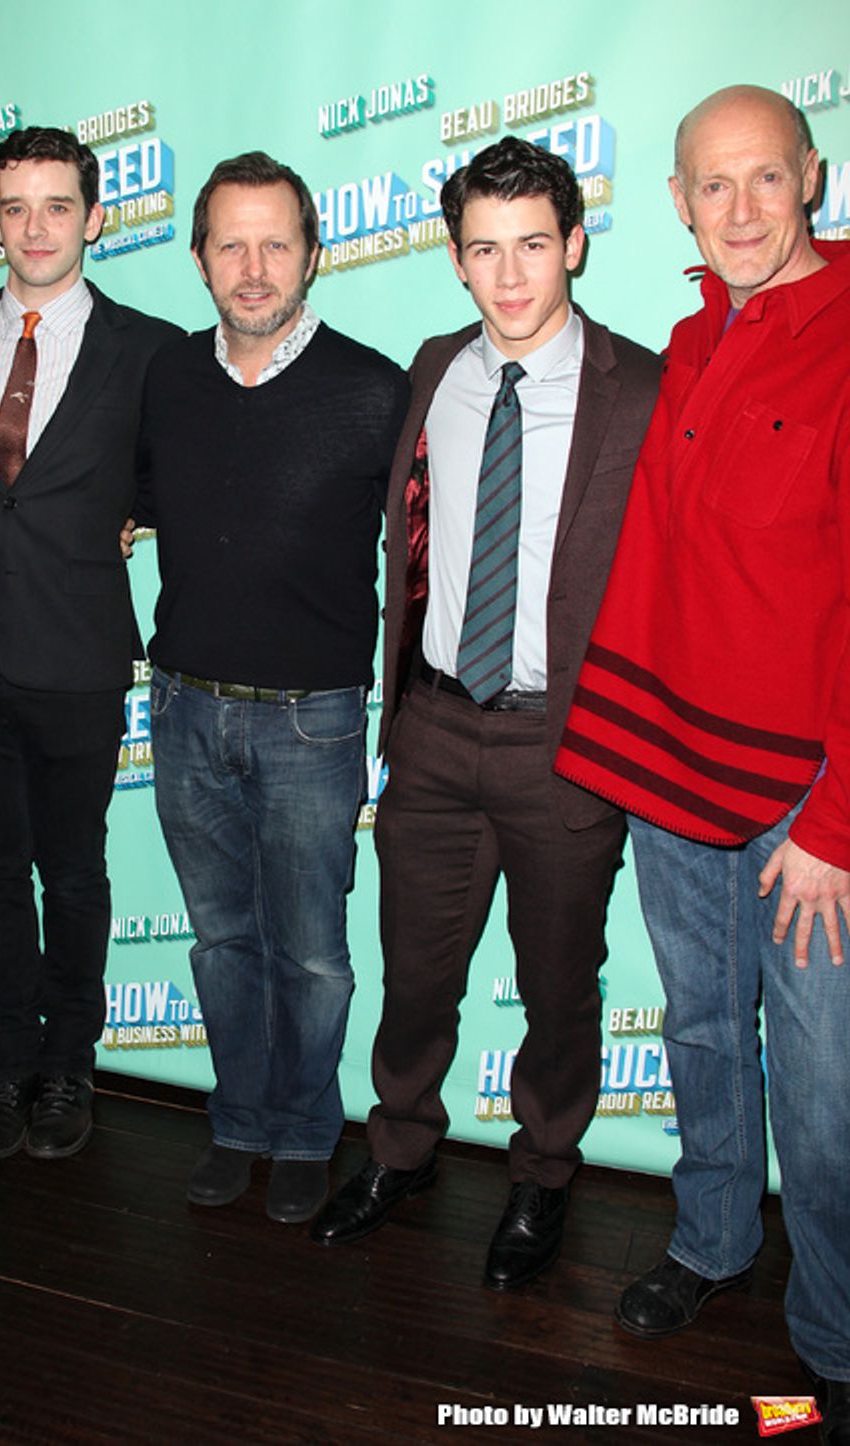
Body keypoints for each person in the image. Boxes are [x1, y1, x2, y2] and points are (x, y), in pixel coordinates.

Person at [311, 137, 660, 1289]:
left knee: (559, 984)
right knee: (415, 970)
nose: (510, 275)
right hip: (435, 730)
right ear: (456, 260)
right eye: (483, 250)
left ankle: (543, 1175)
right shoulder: (432, 369)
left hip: (566, 742)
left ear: (574, 244)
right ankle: (400, 1148)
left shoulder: (643, 388)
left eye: (531, 246)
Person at [556, 86, 849, 1435]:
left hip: (808, 798)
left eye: (764, 181)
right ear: (678, 200)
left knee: (828, 1081)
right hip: (674, 772)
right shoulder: (686, 340)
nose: (739, 210)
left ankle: (835, 1335)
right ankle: (715, 1239)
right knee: (696, 1031)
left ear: (813, 179)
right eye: (711, 185)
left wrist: (838, 818)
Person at [137, 152, 408, 1224]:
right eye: (231, 245)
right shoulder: (165, 378)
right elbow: (142, 497)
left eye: (276, 244)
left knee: (312, 956)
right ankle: (239, 1121)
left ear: (314, 254)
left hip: (315, 722)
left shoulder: (373, 389)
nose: (254, 269)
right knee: (219, 942)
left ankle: (304, 1131)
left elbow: (420, 554)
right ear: (199, 256)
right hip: (183, 708)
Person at [0, 127, 178, 1163]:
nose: (35, 227)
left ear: (94, 217)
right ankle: (7, 1068)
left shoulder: (149, 350)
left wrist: (128, 513)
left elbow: (170, 475)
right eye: (15, 207)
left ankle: (69, 1065)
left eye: (57, 206)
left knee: (72, 874)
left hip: (76, 659)